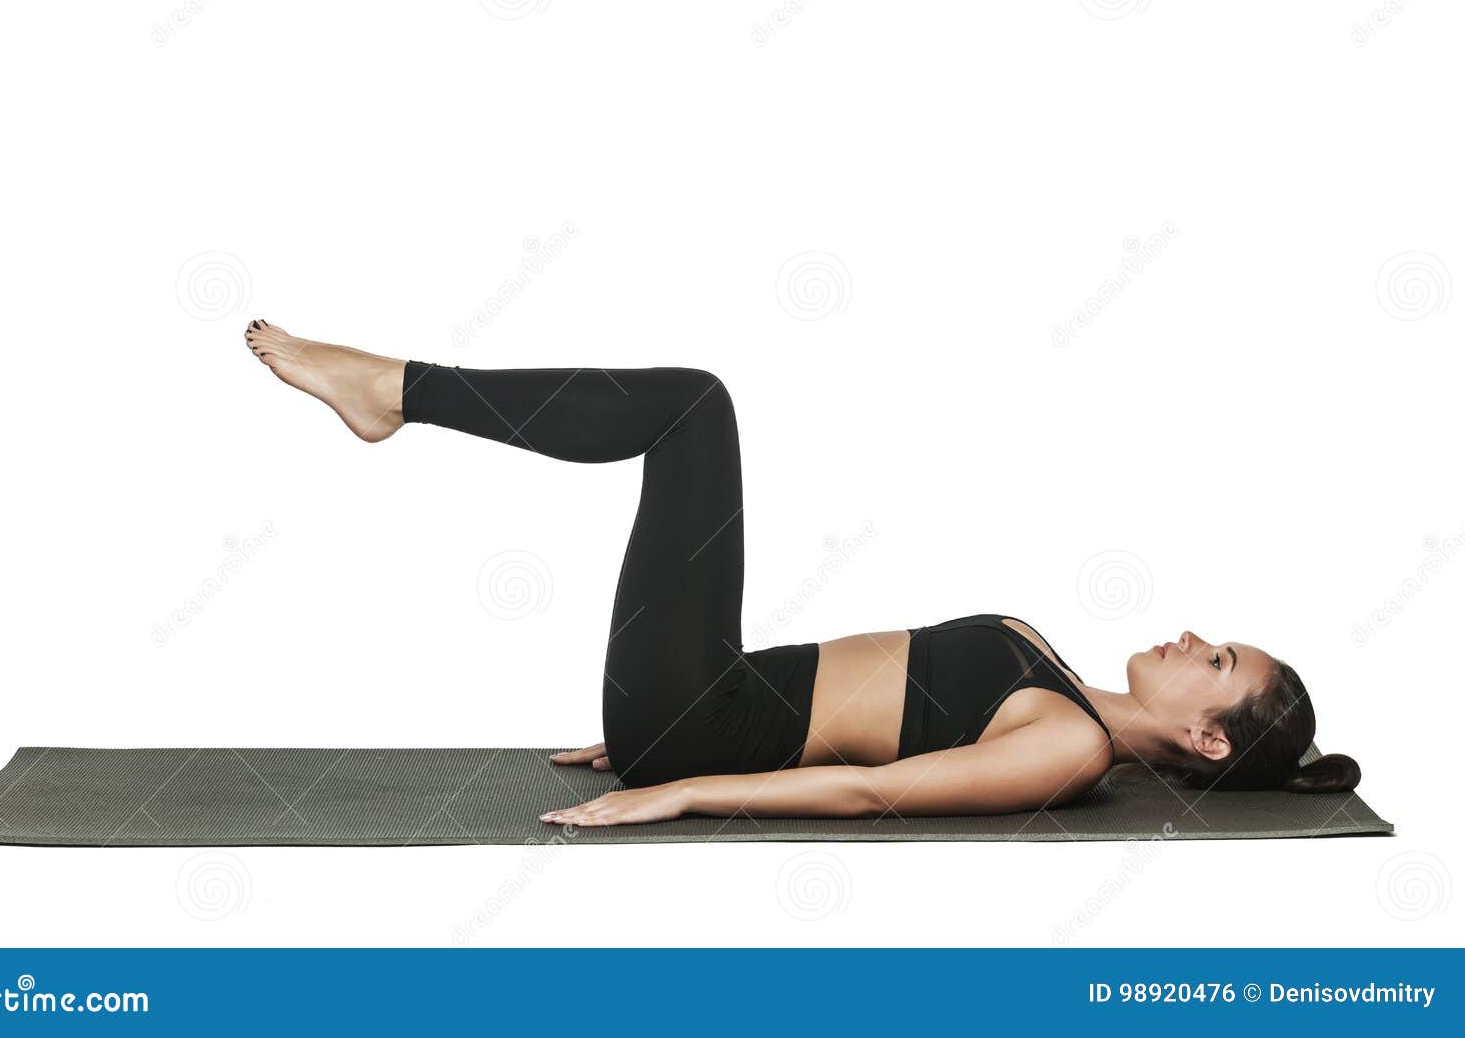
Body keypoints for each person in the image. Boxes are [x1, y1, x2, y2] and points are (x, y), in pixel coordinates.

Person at [243, 320, 1360, 827]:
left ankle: (396, 391)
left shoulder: (1066, 746)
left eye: (1213, 659)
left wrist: (683, 779)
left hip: (696, 722)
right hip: (698, 696)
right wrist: (652, 709)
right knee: (694, 407)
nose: (1188, 634)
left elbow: (871, 788)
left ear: (1211, 734)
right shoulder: (1054, 669)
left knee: (691, 407)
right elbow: (839, 697)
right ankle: (396, 392)